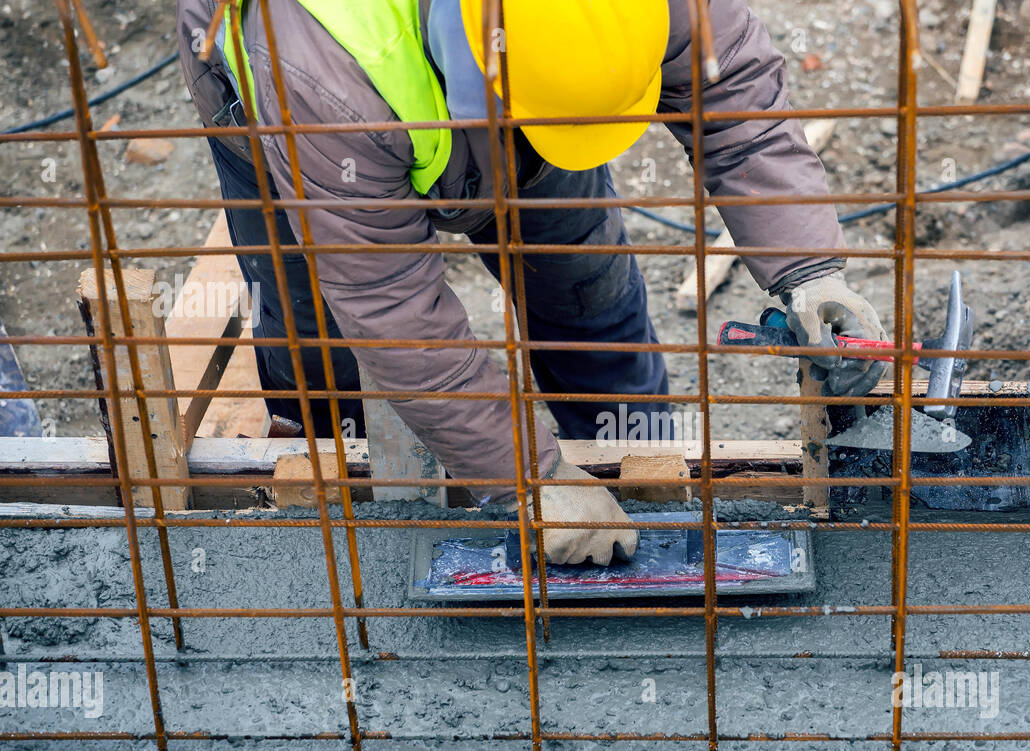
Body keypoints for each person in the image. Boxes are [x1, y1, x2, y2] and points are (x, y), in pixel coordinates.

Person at [176, 0, 885, 565]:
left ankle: (637, 478)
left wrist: (809, 271)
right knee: (318, 325)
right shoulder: (323, 70)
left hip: (525, 92)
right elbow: (391, 303)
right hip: (291, 106)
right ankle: (352, 507)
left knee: (583, 285)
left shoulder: (624, 16)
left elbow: (737, 99)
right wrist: (527, 482)